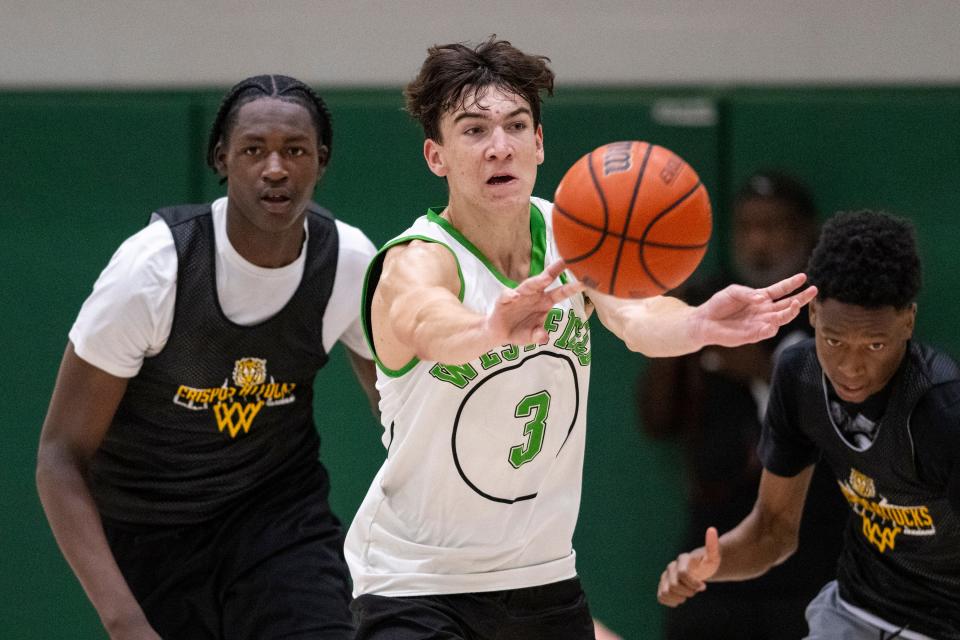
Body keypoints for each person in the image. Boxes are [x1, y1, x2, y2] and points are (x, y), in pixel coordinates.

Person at [343, 36, 816, 640]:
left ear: (539, 143)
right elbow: (424, 321)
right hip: (418, 583)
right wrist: (489, 329)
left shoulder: (573, 237)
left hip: (542, 579)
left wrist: (699, 324)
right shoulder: (418, 259)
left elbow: (640, 320)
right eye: (473, 131)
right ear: (436, 156)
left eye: (516, 126)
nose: (499, 147)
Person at [35, 74, 378, 639]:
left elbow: (399, 411)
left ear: (321, 160)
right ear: (221, 158)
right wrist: (123, 622)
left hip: (279, 521)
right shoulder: (152, 272)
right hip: (152, 531)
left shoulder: (347, 261)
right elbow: (59, 457)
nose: (275, 169)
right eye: (253, 150)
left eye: (294, 151)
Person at [657, 210, 960, 640]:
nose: (851, 367)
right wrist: (709, 564)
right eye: (835, 340)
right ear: (814, 313)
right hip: (852, 613)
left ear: (908, 322)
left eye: (875, 344)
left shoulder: (942, 411)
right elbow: (773, 531)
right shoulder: (800, 374)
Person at [640, 172, 847, 639]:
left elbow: (858, 419)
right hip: (715, 546)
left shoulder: (839, 314)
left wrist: (763, 369)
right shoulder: (708, 306)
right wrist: (672, 322)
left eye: (774, 227)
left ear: (807, 233)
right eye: (747, 228)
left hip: (812, 550)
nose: (759, 242)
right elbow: (655, 419)